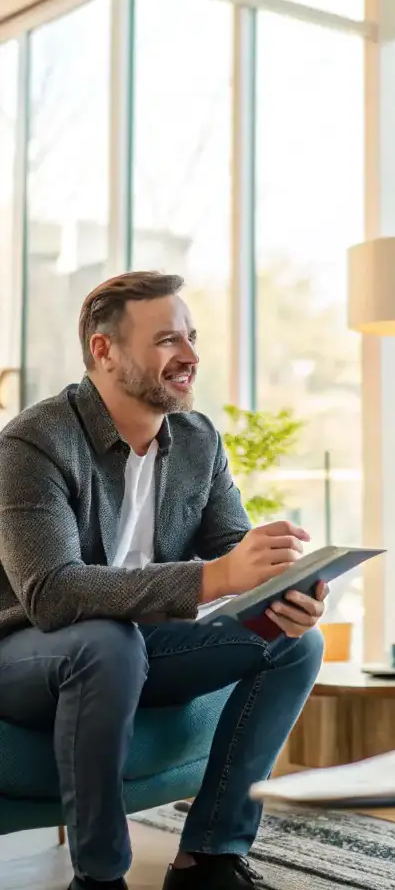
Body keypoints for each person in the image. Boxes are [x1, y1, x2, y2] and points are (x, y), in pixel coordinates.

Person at [0, 271, 327, 890]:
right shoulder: (34, 441)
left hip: (144, 650)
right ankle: (98, 877)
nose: (191, 358)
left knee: (295, 641)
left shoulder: (198, 439)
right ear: (104, 351)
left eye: (192, 338)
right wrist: (211, 578)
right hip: (29, 657)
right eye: (168, 341)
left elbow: (230, 548)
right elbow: (51, 593)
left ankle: (208, 858)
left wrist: (284, 584)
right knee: (106, 641)